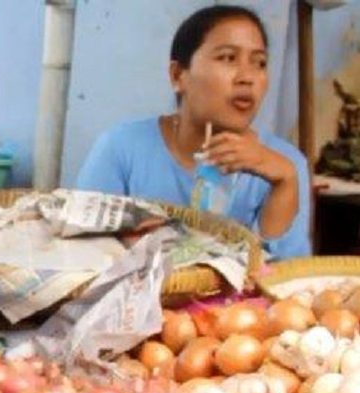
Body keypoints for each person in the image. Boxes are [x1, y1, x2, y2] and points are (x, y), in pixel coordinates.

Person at [76, 5, 311, 259]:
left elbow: (283, 280)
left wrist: (285, 184)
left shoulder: (285, 165)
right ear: (178, 76)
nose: (247, 77)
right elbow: (81, 255)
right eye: (228, 58)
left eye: (259, 63)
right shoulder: (120, 148)